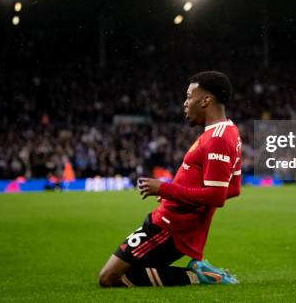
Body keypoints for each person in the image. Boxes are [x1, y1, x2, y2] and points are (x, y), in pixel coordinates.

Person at [98, 71, 242, 287]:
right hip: (172, 220)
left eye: (189, 96)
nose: (185, 103)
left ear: (206, 100)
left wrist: (166, 190)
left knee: (109, 278)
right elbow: (234, 188)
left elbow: (217, 195)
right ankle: (200, 272)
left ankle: (199, 277)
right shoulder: (229, 131)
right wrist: (179, 194)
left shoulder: (218, 138)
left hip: (170, 226)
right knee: (129, 273)